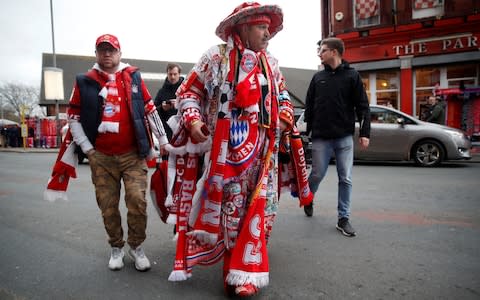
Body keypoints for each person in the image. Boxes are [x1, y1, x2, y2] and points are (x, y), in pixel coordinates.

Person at [165, 2, 310, 297]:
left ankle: (248, 271)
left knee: (262, 212)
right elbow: (188, 93)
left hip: (264, 152)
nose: (268, 33)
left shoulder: (271, 62)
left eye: (269, 28)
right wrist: (193, 122)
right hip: (226, 154)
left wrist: (284, 113)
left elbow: (282, 94)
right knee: (231, 214)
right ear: (243, 27)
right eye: (262, 27)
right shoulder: (215, 57)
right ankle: (234, 274)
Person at [67, 34, 168, 271]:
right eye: (102, 50)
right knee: (108, 205)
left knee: (137, 200)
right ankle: (116, 247)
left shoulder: (132, 76)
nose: (107, 54)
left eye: (111, 50)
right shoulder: (84, 81)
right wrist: (87, 148)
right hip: (101, 157)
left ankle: (136, 246)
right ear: (96, 54)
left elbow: (150, 108)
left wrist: (162, 138)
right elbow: (73, 117)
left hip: (133, 155)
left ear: (119, 53)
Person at [303, 37, 371, 237]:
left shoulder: (352, 76)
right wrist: (308, 133)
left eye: (322, 50)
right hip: (321, 137)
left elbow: (363, 107)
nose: (319, 54)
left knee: (346, 178)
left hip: (344, 137)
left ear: (334, 52)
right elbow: (309, 107)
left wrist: (365, 133)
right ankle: (308, 198)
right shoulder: (317, 78)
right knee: (317, 174)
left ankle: (343, 218)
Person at [154, 63, 184, 141]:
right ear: (167, 74)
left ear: (179, 74)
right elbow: (153, 111)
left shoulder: (185, 89)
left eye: (175, 74)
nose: (172, 77)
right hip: (167, 132)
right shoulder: (162, 91)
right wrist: (162, 108)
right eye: (170, 74)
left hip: (183, 129)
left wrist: (179, 104)